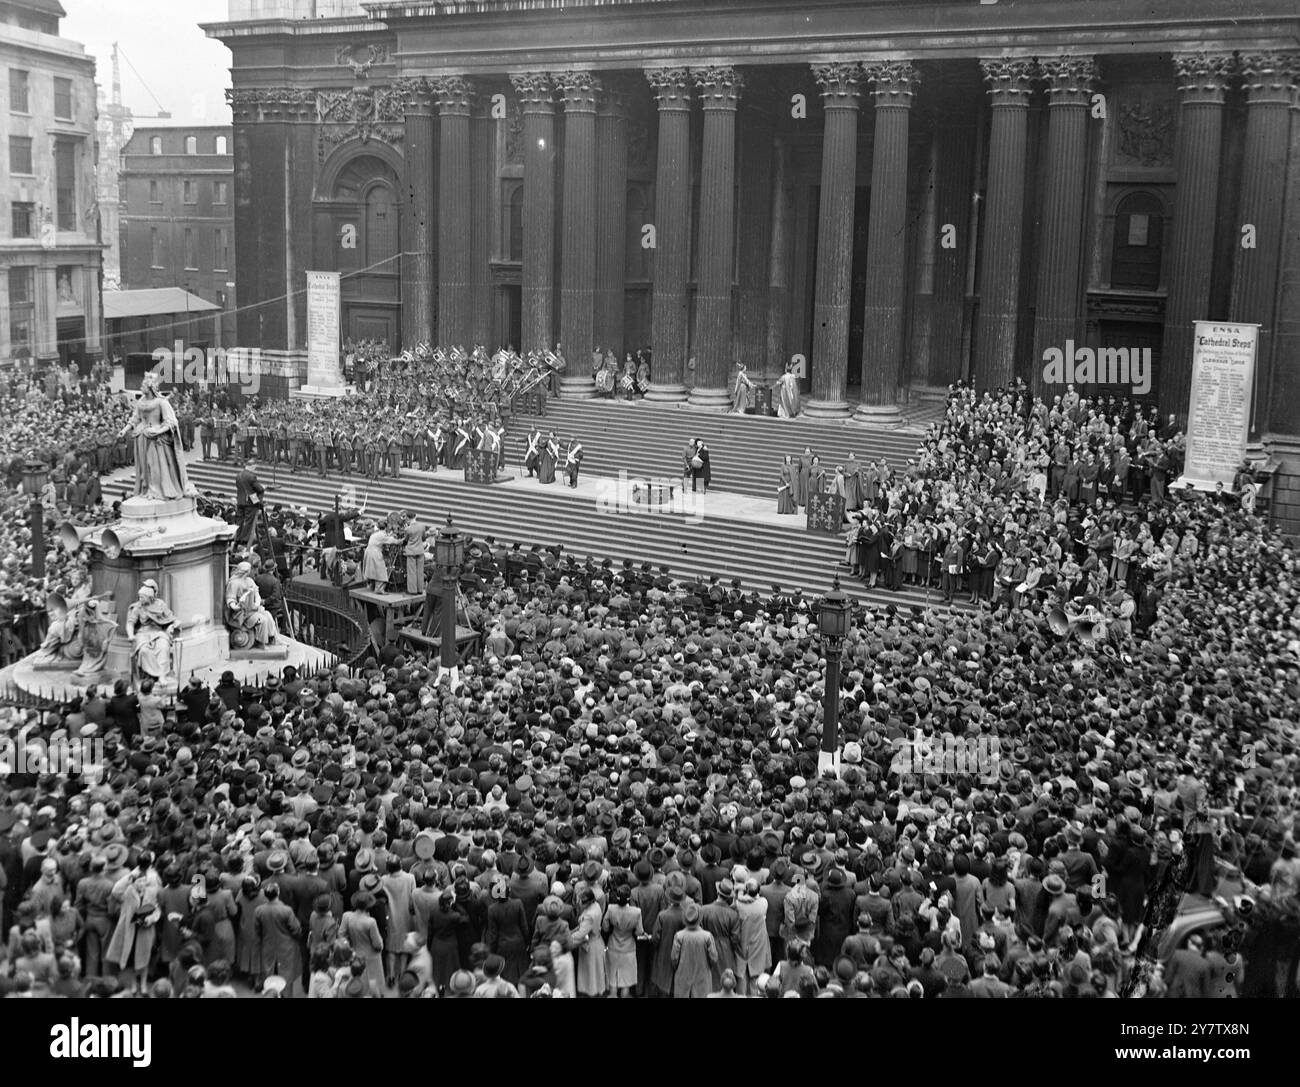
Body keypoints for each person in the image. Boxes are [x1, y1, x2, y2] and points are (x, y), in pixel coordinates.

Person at [120, 373, 195, 501]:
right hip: (142, 437)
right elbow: (135, 418)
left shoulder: (161, 402)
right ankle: (147, 488)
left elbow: (170, 421)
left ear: (150, 387)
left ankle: (157, 490)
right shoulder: (141, 401)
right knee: (144, 467)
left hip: (156, 439)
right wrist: (124, 429)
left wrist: (158, 431)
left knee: (155, 466)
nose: (141, 387)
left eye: (143, 385)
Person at [125, 581, 177, 683]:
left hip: (158, 632)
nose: (140, 599)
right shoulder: (138, 607)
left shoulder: (160, 605)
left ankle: (162, 675)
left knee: (163, 647)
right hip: (143, 633)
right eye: (139, 597)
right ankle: (152, 675)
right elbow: (130, 623)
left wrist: (174, 625)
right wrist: (131, 635)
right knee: (144, 651)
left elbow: (171, 618)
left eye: (142, 597)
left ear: (149, 597)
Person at [225, 561, 278, 648]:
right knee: (262, 619)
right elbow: (231, 600)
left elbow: (256, 593)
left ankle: (272, 637)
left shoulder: (249, 580)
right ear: (246, 571)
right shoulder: (234, 583)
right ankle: (262, 643)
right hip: (241, 614)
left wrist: (257, 602)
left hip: (252, 609)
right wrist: (236, 607)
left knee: (268, 615)